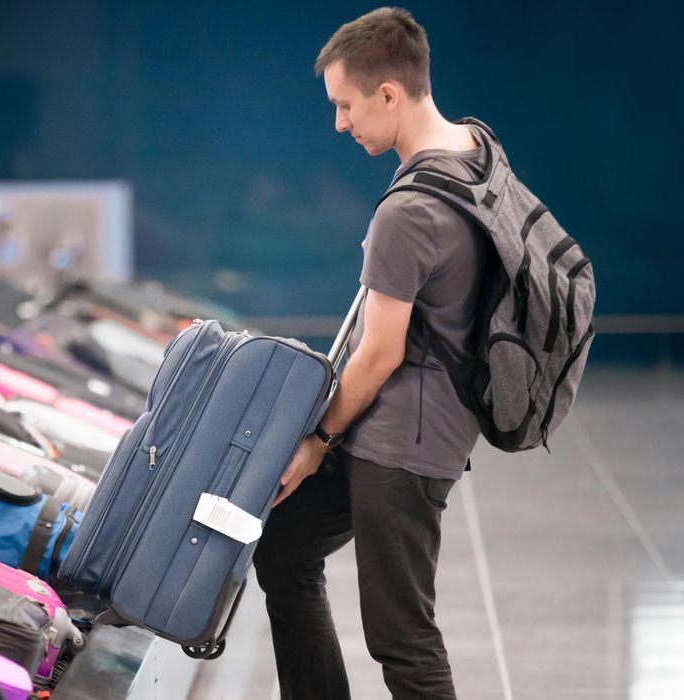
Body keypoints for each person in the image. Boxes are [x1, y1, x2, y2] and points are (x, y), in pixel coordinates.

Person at [253, 7, 492, 700]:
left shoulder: (409, 210)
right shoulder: (474, 151)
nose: (338, 123)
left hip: (402, 445)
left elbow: (379, 352)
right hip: (400, 426)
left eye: (345, 105)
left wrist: (315, 441)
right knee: (284, 548)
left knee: (401, 639)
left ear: (389, 93)